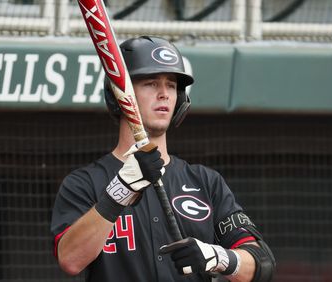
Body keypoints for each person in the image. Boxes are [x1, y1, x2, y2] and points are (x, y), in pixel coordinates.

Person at [50, 36, 275, 282]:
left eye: (171, 85)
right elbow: (70, 260)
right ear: (120, 96)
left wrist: (216, 256)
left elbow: (262, 265)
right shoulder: (85, 182)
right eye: (150, 83)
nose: (164, 94)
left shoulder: (205, 182)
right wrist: (119, 191)